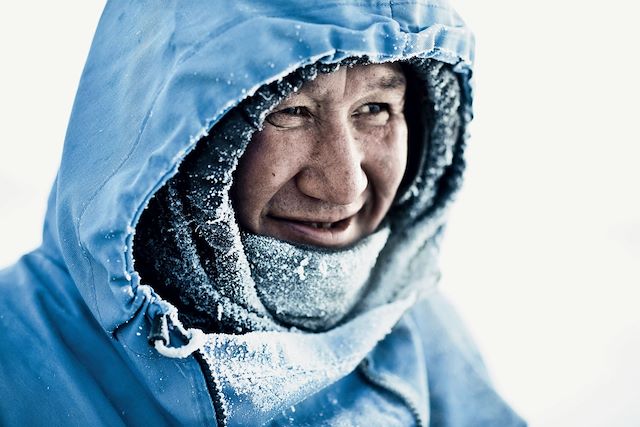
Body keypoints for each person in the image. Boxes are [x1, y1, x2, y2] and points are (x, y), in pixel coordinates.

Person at [0, 2, 526, 426]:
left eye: (375, 110)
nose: (344, 185)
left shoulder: (413, 325)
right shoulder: (15, 358)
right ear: (175, 143)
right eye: (290, 113)